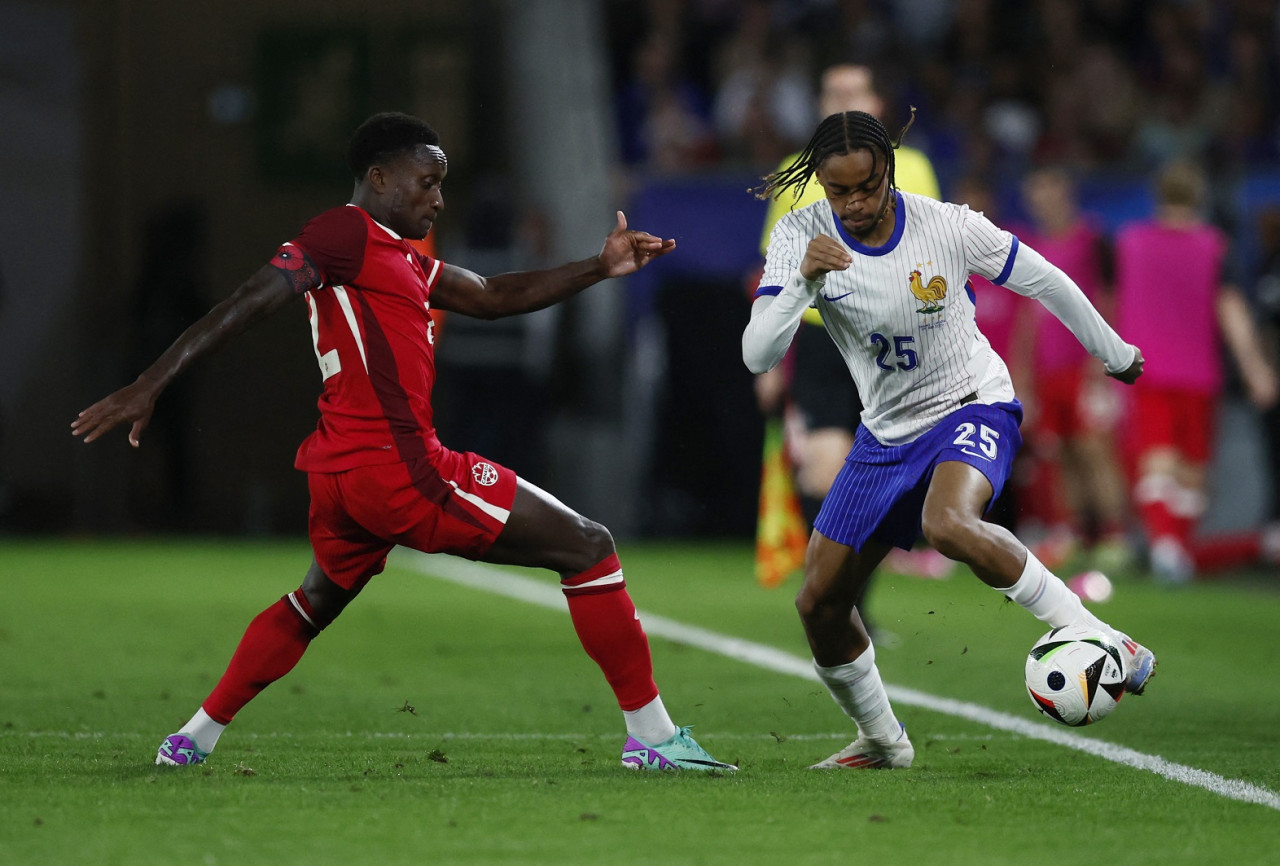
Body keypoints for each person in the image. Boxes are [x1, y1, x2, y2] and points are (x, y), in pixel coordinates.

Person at [72, 112, 734, 773]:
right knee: (589, 547)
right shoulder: (344, 233)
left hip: (343, 476)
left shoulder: (400, 255)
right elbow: (250, 298)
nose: (438, 198)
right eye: (427, 182)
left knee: (312, 604)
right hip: (400, 469)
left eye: (442, 184)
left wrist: (599, 265)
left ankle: (192, 738)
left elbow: (494, 294)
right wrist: (151, 383)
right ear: (379, 178)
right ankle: (652, 738)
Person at [742, 110, 1155, 769]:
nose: (853, 203)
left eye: (867, 187)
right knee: (819, 603)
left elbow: (1044, 279)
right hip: (883, 436)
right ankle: (883, 741)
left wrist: (1114, 351)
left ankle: (1098, 635)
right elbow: (758, 355)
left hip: (971, 405)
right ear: (821, 182)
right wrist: (801, 284)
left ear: (889, 172)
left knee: (948, 524)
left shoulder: (947, 226)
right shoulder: (801, 235)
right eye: (837, 190)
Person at [753, 64, 944, 592]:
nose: (842, 100)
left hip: (889, 343)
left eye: (854, 91)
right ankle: (841, 599)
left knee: (884, 477)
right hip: (822, 341)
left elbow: (935, 257)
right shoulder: (794, 174)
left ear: (876, 103)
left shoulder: (915, 168)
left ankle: (848, 599)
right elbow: (776, 274)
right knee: (823, 471)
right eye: (833, 92)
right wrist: (772, 357)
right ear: (818, 103)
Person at [1114, 160, 1279, 582]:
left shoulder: (1130, 243)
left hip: (1144, 367)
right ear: (1201, 198)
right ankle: (1174, 552)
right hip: (1198, 371)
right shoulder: (1214, 246)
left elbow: (1109, 304)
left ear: (1157, 196)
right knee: (1191, 472)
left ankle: (1172, 552)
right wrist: (1256, 369)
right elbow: (1231, 308)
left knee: (1158, 463)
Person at [1015, 166, 1132, 568]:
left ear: (1065, 189)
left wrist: (1101, 358)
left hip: (1082, 364)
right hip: (1048, 370)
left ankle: (1115, 537)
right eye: (1034, 190)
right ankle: (1079, 533)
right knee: (1060, 453)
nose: (1041, 198)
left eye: (1048, 186)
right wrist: (1023, 373)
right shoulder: (1032, 245)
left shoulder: (1091, 238)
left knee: (1094, 449)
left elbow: (1107, 298)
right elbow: (1029, 315)